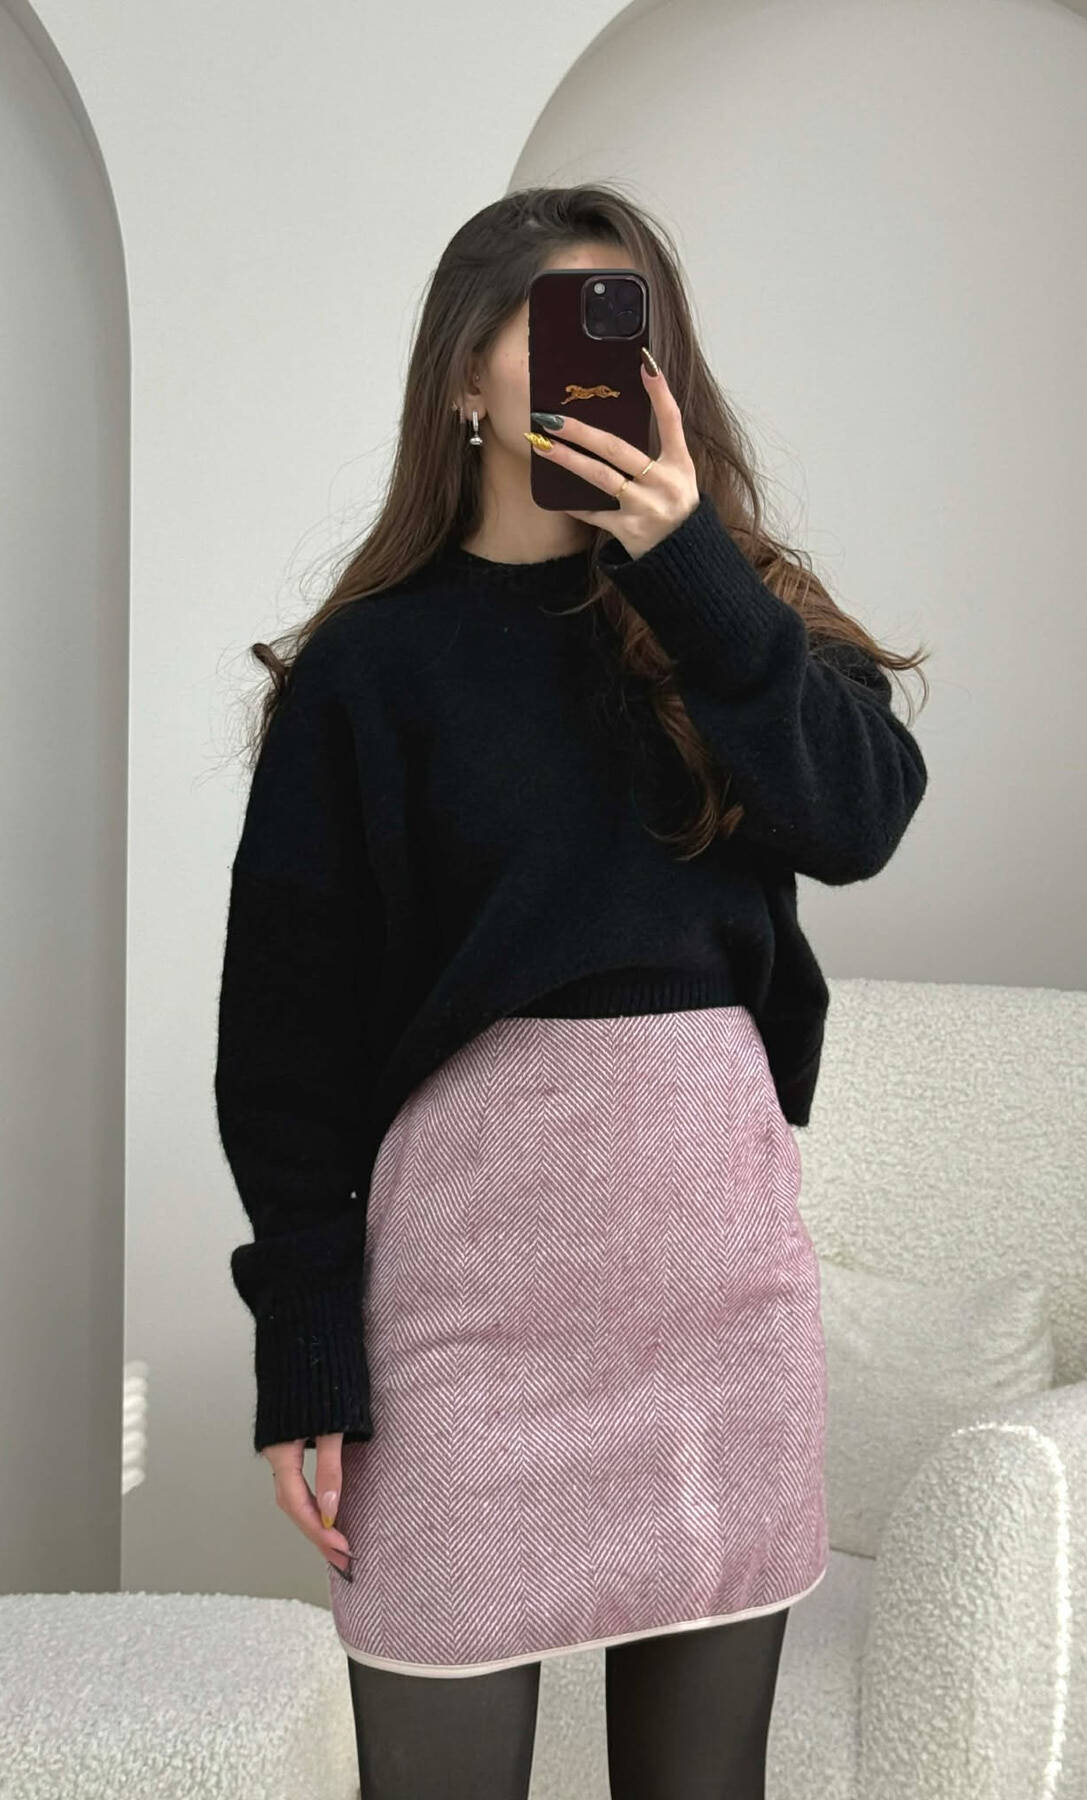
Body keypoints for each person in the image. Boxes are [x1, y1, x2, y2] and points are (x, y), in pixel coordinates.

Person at [214, 182, 930, 1799]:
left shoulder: (729, 616)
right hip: (466, 1313)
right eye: (559, 333)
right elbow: (283, 1042)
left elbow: (863, 822)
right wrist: (305, 1347)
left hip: (718, 1306)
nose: (604, 368)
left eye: (630, 334)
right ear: (466, 375)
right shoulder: (371, 667)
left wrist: (686, 567)